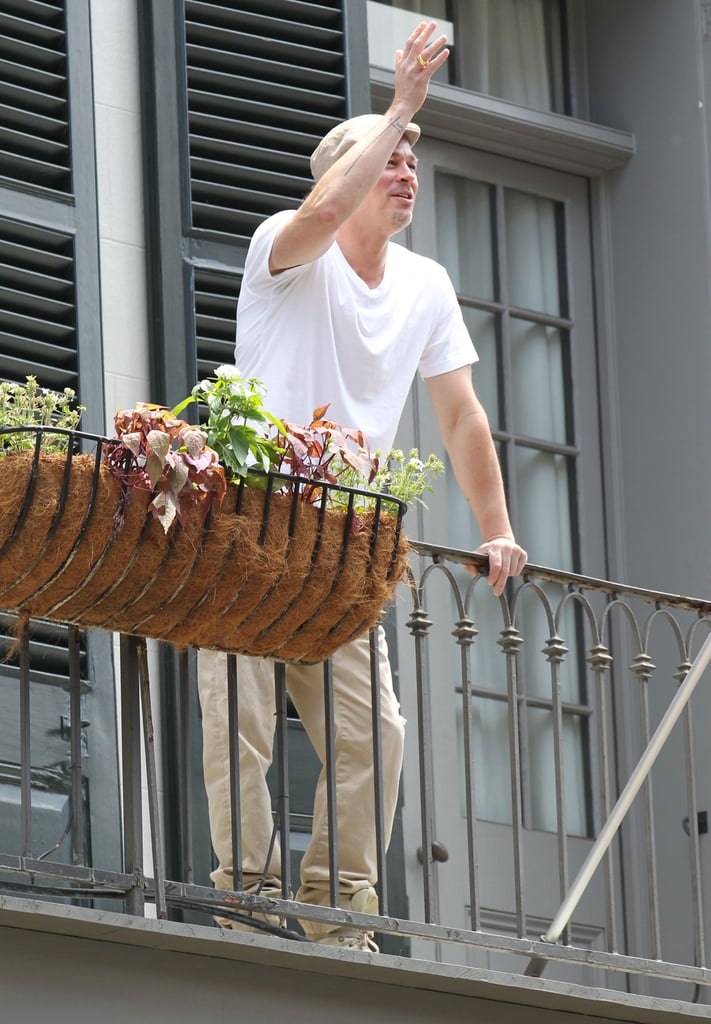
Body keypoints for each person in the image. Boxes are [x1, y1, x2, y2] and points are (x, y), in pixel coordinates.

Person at [197, 21, 527, 951]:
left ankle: (338, 912)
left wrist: (496, 526)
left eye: (412, 160)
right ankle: (250, 898)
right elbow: (316, 216)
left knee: (371, 731)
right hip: (244, 522)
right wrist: (399, 108)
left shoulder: (425, 284)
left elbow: (460, 416)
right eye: (386, 159)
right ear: (339, 180)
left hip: (342, 542)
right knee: (242, 724)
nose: (404, 170)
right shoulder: (284, 251)